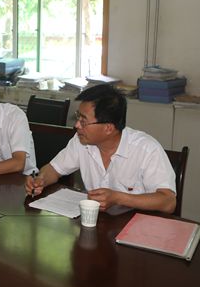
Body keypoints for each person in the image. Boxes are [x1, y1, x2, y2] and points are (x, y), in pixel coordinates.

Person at [25, 84, 176, 214]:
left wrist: (118, 198)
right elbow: (53, 169)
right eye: (78, 117)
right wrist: (40, 180)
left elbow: (168, 202)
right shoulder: (81, 141)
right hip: (97, 222)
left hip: (137, 227)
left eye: (84, 121)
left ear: (108, 128)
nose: (77, 125)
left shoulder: (147, 149)